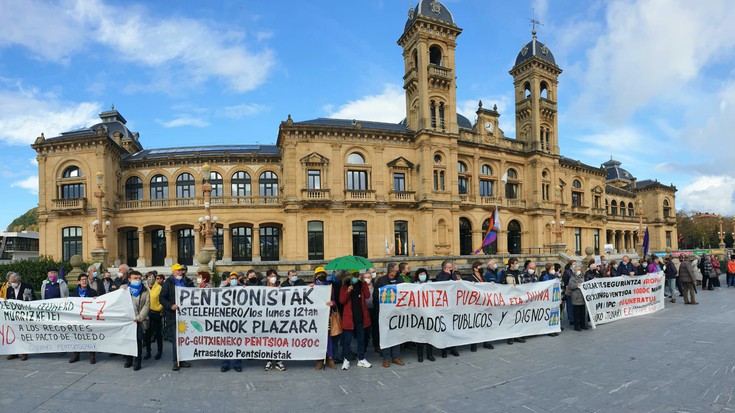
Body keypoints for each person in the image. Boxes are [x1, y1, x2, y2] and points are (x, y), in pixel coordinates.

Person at [159, 263, 195, 371]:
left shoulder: (186, 282)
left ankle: (183, 359)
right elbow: (162, 298)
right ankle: (176, 361)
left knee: (184, 339)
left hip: (185, 315)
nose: (180, 272)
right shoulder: (168, 283)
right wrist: (170, 306)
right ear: (173, 272)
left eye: (181, 270)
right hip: (173, 315)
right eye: (178, 270)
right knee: (176, 340)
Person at [339, 271, 372, 370]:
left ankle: (361, 358)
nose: (355, 277)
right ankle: (346, 359)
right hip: (349, 318)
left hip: (360, 317)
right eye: (354, 276)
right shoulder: (345, 286)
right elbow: (342, 300)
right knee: (347, 340)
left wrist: (364, 283)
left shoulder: (362, 284)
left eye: (357, 275)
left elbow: (367, 296)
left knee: (361, 339)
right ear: (349, 276)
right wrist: (348, 291)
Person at [373, 263, 403, 367]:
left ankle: (396, 357)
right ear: (391, 272)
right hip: (385, 314)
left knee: (396, 335)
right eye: (396, 270)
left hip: (397, 313)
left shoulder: (400, 280)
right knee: (385, 335)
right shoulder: (381, 281)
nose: (398, 272)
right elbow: (375, 296)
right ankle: (386, 357)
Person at [69, 274, 99, 364]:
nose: (84, 281)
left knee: (90, 336)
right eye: (82, 280)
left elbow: (97, 304)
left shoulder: (92, 292)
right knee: (76, 336)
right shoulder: (74, 292)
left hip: (88, 318)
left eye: (85, 279)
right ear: (79, 282)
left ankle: (92, 355)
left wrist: (96, 299)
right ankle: (76, 355)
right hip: (77, 318)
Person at [123, 270, 150, 371]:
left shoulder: (145, 290)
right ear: (129, 279)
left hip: (138, 320)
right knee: (128, 340)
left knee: (138, 341)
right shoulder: (124, 289)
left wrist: (138, 318)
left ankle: (137, 361)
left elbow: (147, 306)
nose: (138, 280)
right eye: (135, 278)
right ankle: (129, 359)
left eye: (139, 278)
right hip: (127, 320)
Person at [5, 272, 34, 361]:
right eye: (11, 282)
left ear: (18, 280)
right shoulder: (9, 289)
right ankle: (14, 352)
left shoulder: (27, 287)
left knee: (23, 333)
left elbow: (34, 299)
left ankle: (24, 353)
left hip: (24, 315)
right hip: (13, 315)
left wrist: (28, 298)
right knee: (13, 333)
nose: (12, 283)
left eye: (14, 281)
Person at [313, 266, 338, 370]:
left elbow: (335, 300)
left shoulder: (330, 286)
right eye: (319, 274)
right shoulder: (312, 287)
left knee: (329, 338)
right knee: (318, 337)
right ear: (315, 276)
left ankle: (330, 358)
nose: (321, 275)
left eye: (323, 273)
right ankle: (319, 359)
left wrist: (332, 303)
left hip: (327, 315)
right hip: (316, 316)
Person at [435, 260, 462, 356]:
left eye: (452, 267)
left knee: (453, 327)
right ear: (445, 268)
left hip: (453, 304)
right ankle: (444, 349)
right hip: (443, 305)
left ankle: (453, 347)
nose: (451, 269)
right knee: (444, 328)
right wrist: (447, 274)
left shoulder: (454, 274)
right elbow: (440, 284)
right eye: (449, 267)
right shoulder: (440, 276)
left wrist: (454, 274)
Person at [468, 261, 496, 350]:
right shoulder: (470, 278)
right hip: (475, 304)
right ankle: (473, 344)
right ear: (475, 269)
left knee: (485, 323)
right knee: (475, 323)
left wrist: (490, 284)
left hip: (484, 303)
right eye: (479, 267)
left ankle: (486, 342)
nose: (481, 268)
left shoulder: (483, 278)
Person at [263, 270, 286, 372]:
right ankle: (268, 361)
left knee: (279, 339)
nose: (273, 277)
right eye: (271, 276)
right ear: (267, 277)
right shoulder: (263, 287)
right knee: (268, 339)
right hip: (266, 318)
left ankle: (278, 361)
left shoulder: (281, 286)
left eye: (275, 276)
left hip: (278, 318)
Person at [221, 272, 243, 372]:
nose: (233, 280)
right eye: (231, 278)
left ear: (237, 279)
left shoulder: (243, 289)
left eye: (235, 278)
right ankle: (225, 363)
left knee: (238, 342)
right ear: (229, 279)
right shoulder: (223, 289)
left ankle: (237, 363)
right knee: (225, 342)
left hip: (239, 319)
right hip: (227, 319)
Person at [413, 268, 436, 362]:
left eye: (424, 273)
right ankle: (420, 355)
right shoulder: (414, 285)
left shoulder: (431, 284)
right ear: (417, 275)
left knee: (430, 334)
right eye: (421, 274)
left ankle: (430, 354)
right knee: (420, 335)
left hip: (430, 312)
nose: (423, 275)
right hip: (419, 313)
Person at [144, 272, 164, 361]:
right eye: (149, 277)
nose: (151, 278)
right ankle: (148, 351)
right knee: (147, 333)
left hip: (156, 312)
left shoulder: (159, 287)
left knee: (158, 333)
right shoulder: (144, 287)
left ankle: (159, 351)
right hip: (146, 313)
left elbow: (163, 299)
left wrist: (159, 308)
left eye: (152, 276)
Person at [566, 263, 588, 331]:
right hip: (576, 298)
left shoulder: (582, 277)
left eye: (579, 269)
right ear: (575, 271)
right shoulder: (572, 278)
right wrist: (577, 285)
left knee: (582, 313)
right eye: (577, 270)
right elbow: (570, 286)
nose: (579, 271)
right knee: (576, 313)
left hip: (582, 297)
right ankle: (577, 326)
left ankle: (583, 324)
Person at [362, 271, 376, 352]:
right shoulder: (361, 287)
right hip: (364, 311)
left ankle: (376, 345)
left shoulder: (375, 287)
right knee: (365, 330)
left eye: (369, 277)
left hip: (373, 310)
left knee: (375, 329)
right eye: (365, 277)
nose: (367, 279)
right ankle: (364, 346)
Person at [561, 261, 575, 327]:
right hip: (569, 290)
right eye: (574, 264)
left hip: (573, 291)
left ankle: (573, 318)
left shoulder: (573, 271)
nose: (574, 265)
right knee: (569, 305)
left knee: (573, 305)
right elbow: (565, 281)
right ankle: (571, 319)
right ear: (570, 265)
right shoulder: (567, 272)